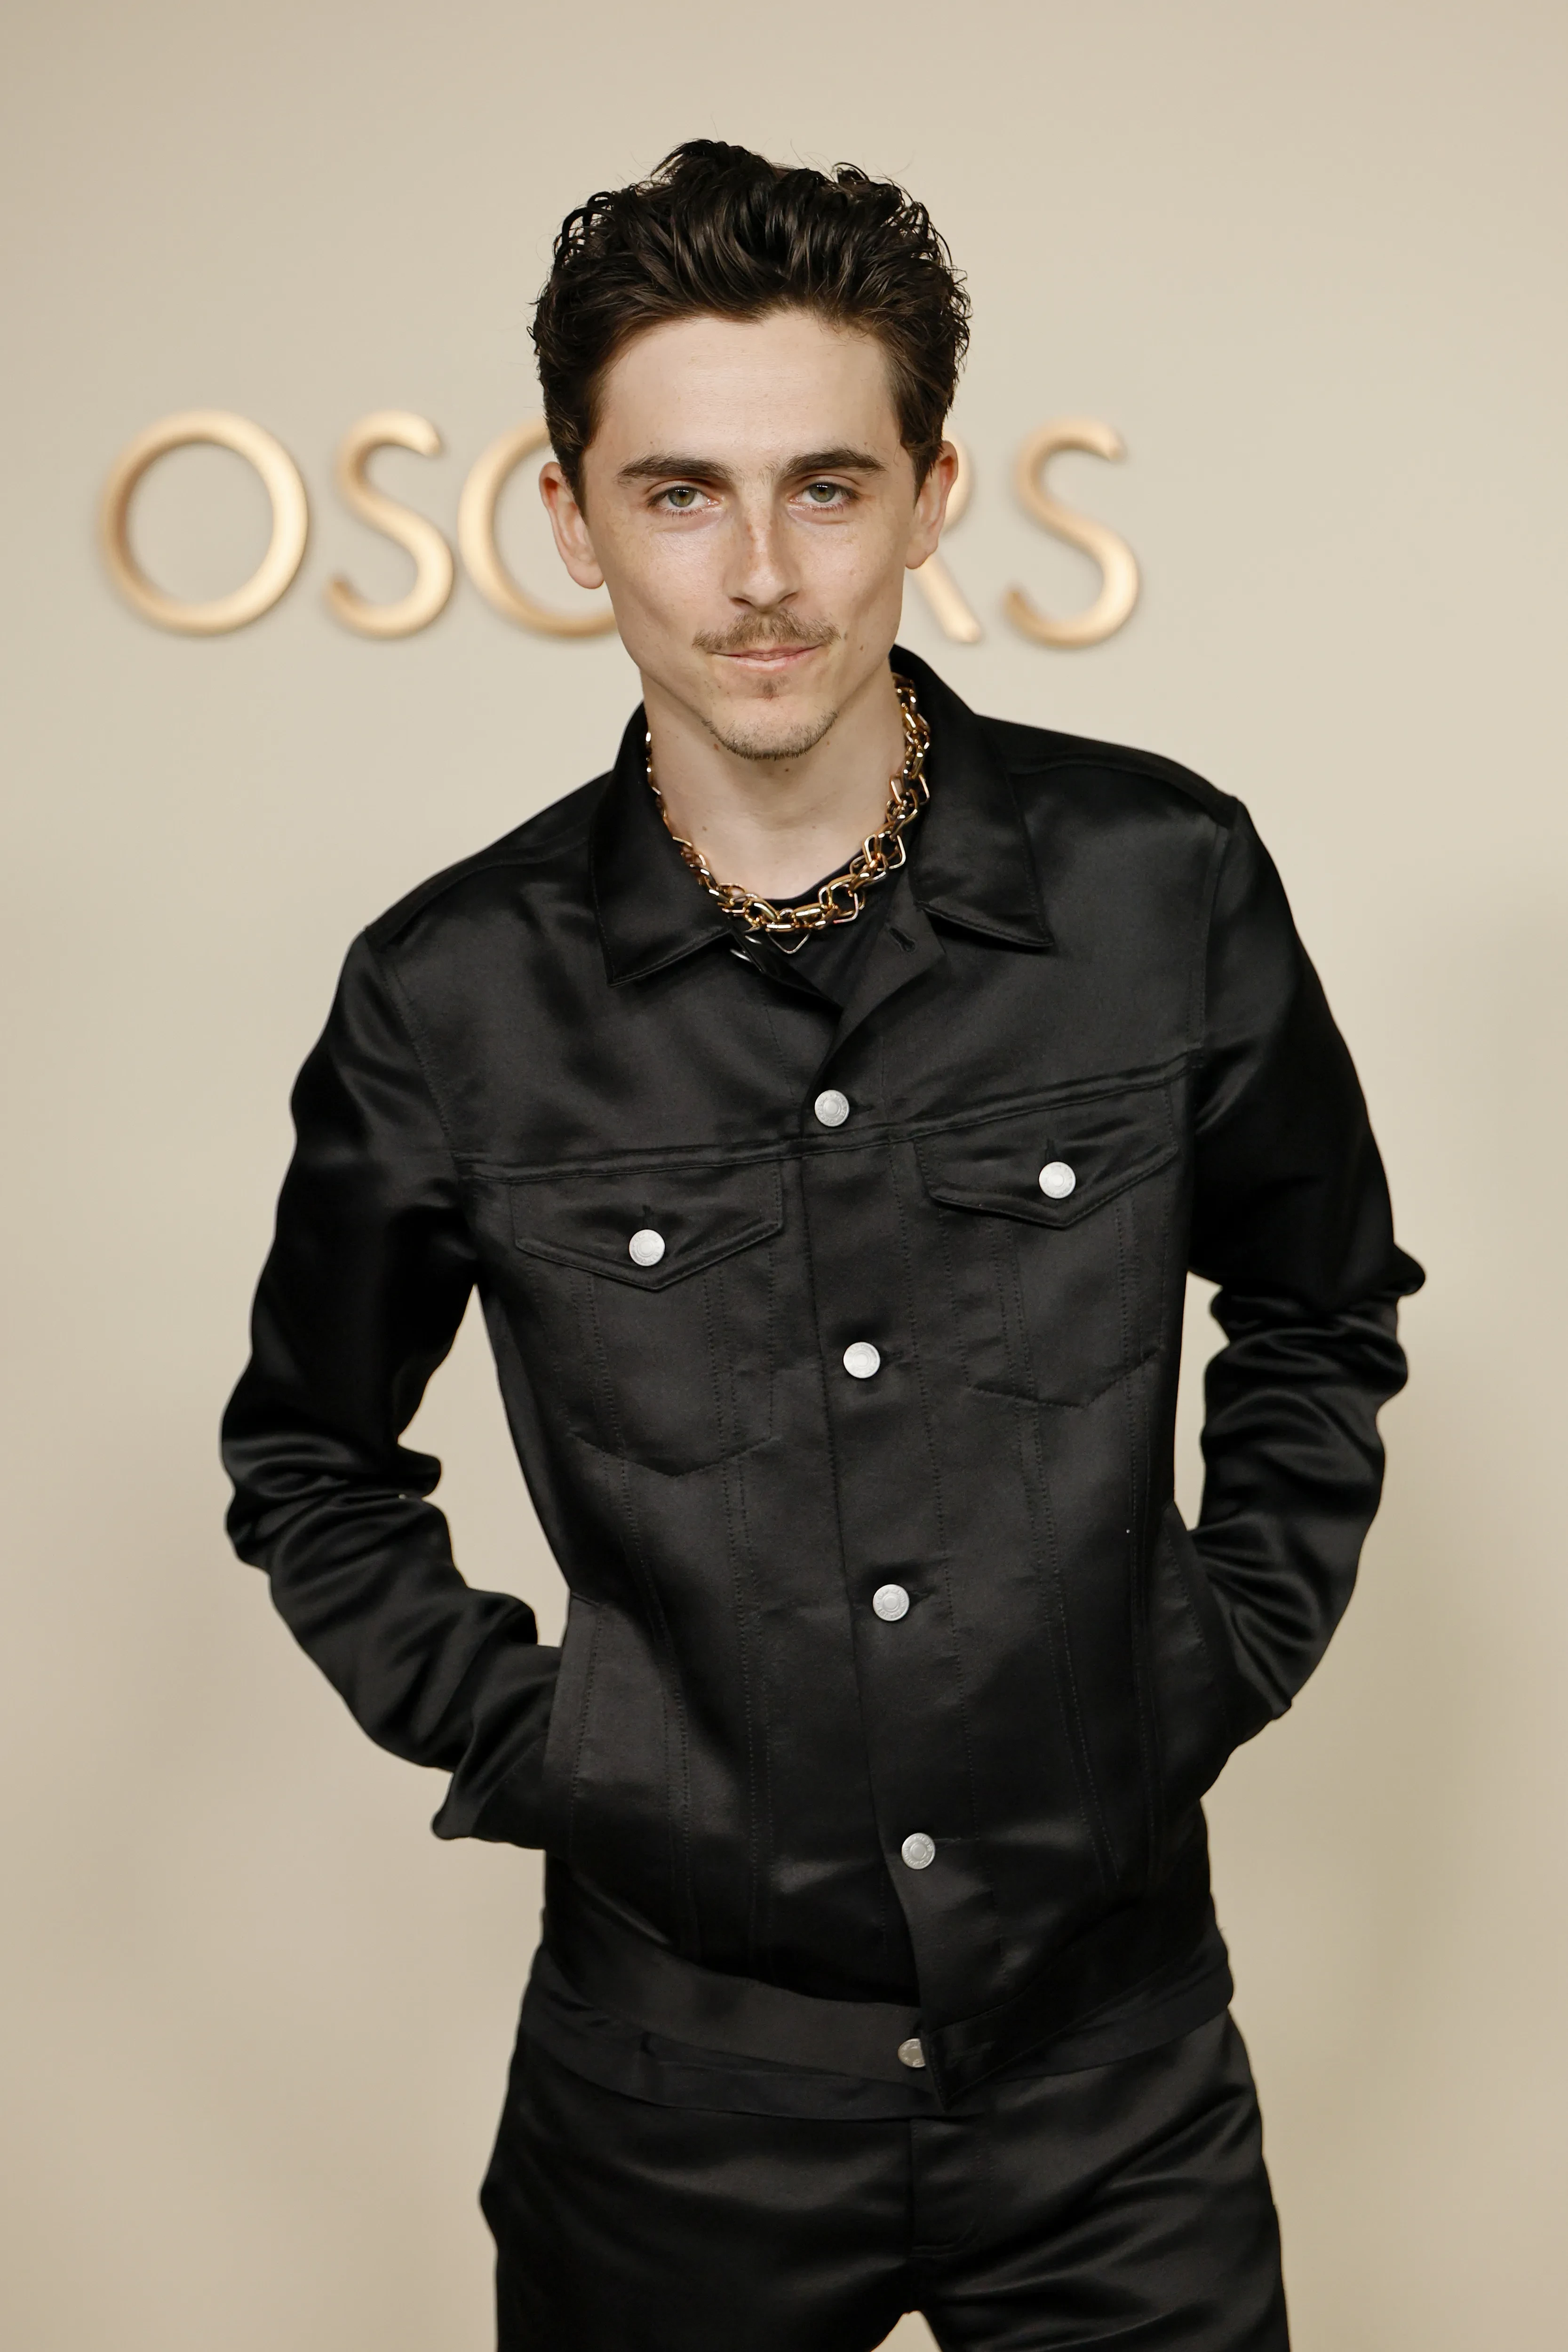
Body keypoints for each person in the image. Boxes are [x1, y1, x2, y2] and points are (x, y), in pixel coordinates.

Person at [222, 141, 1423, 2351]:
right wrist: (565, 1746)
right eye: (679, 493)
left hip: (1113, 2078)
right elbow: (307, 1452)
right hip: (669, 2102)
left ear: (931, 494)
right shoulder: (448, 993)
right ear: (570, 516)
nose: (760, 575)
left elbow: (1317, 1302)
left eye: (826, 486)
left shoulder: (1162, 881)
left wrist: (1213, 1645)